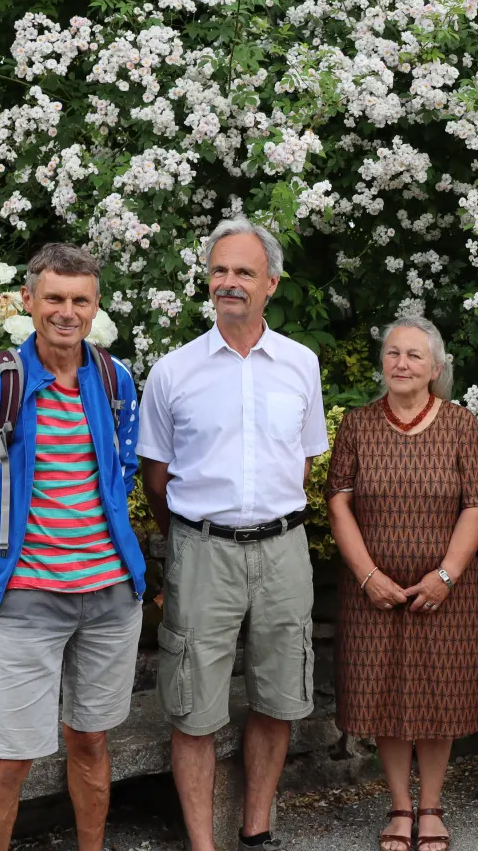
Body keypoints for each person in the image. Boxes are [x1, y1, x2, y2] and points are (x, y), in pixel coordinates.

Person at [0, 243, 146, 851]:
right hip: (29, 597)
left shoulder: (113, 379)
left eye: (79, 299)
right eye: (54, 297)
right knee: (8, 759)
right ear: (29, 301)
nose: (66, 311)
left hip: (111, 596)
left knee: (91, 740)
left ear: (95, 305)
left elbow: (124, 469)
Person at [137, 217, 328, 851]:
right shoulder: (174, 372)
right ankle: (202, 845)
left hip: (283, 551)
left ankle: (256, 831)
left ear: (271, 282)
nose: (229, 282)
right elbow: (155, 478)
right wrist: (193, 538)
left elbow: (301, 463)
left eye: (244, 272)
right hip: (201, 553)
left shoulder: (301, 364)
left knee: (278, 699)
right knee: (193, 706)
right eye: (220, 270)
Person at [325, 316, 478, 851]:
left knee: (437, 696)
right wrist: (367, 575)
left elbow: (477, 503)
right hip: (373, 593)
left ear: (436, 368)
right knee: (384, 697)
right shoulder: (357, 424)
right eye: (393, 353)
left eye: (414, 356)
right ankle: (400, 807)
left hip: (444, 592)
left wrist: (446, 575)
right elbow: (338, 501)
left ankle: (432, 808)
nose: (401, 363)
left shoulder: (460, 423)